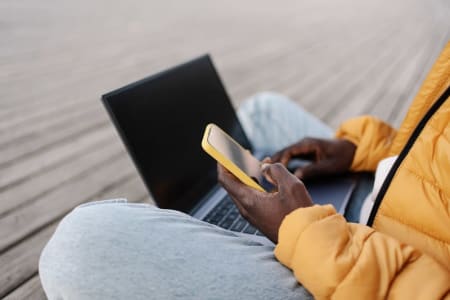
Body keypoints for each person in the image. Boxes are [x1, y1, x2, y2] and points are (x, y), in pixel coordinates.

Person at [39, 42, 450, 299]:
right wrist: (362, 151)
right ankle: (212, 221)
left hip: (371, 276)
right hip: (393, 204)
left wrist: (309, 234)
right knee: (263, 110)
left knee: (78, 248)